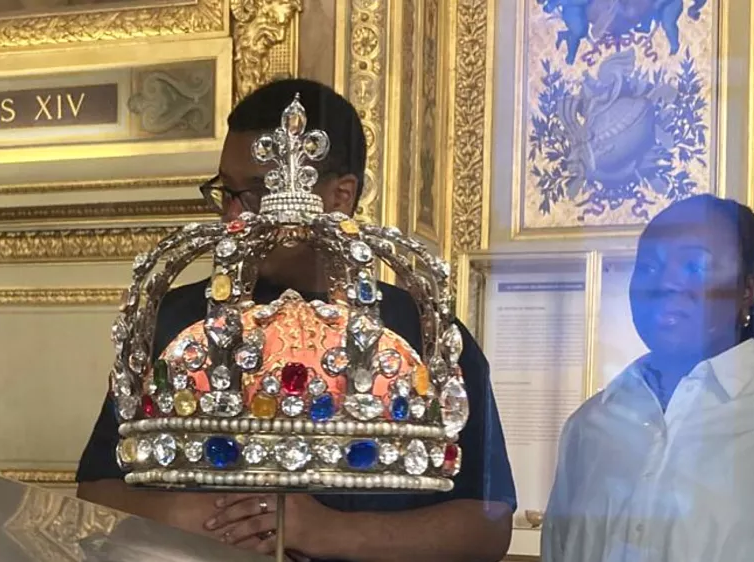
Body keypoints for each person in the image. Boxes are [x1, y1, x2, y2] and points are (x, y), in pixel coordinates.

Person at [76, 78, 516, 562]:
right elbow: (97, 490)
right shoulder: (176, 321)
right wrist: (190, 515)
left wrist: (324, 531)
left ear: (340, 196)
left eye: (258, 192)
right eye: (227, 191)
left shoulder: (421, 332)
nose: (233, 217)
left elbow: (486, 526)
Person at [541, 194, 754, 562]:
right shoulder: (590, 425)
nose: (665, 284)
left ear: (747, 290)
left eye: (694, 265)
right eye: (650, 268)